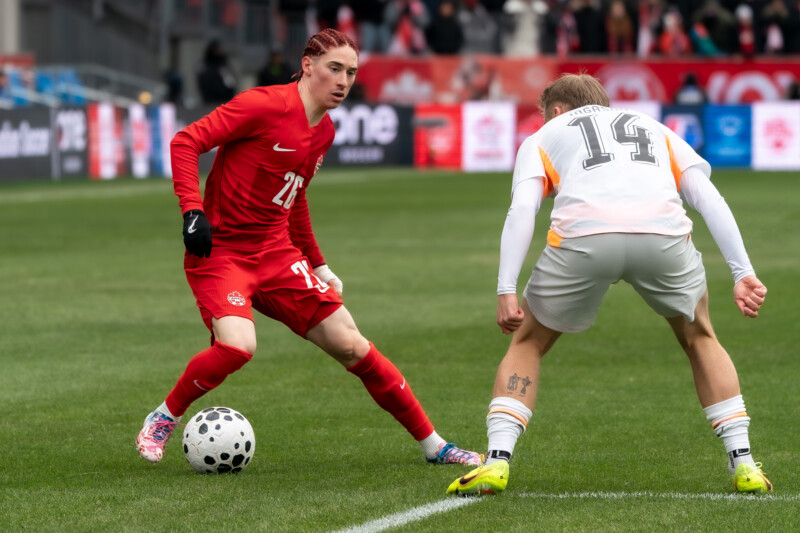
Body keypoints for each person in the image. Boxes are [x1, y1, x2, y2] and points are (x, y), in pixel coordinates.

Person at [136, 28, 481, 469]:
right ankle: (163, 418)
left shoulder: (324, 131)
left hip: (278, 256)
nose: (342, 80)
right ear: (307, 65)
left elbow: (295, 197)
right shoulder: (262, 105)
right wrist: (191, 211)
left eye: (351, 73)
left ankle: (437, 446)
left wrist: (317, 262)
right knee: (238, 347)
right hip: (222, 253)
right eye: (334, 68)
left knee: (353, 345)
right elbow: (186, 142)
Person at [446, 73, 772, 496]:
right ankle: (744, 463)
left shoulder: (546, 134)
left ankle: (497, 461)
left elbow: (522, 209)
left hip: (583, 237)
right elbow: (708, 198)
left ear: (557, 111)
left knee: (528, 343)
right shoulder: (656, 128)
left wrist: (506, 288)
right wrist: (741, 271)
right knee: (699, 337)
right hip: (663, 235)